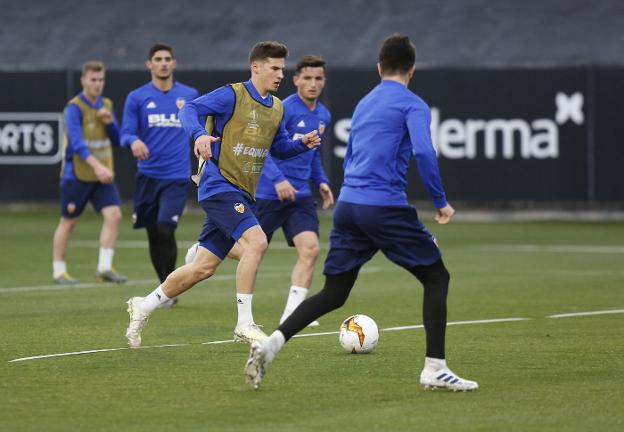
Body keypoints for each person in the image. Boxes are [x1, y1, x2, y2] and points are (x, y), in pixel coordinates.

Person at [244, 34, 479, 392]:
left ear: (379, 68)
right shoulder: (412, 104)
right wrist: (440, 201)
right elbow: (425, 153)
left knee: (334, 292)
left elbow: (351, 152)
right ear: (412, 70)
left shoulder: (366, 102)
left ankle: (271, 343)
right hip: (383, 206)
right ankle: (435, 369)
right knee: (436, 278)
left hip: (349, 207)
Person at [124, 41, 321, 348]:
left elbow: (279, 148)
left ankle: (144, 304)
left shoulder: (278, 107)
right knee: (257, 241)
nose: (281, 73)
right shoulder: (232, 94)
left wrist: (301, 145)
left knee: (202, 268)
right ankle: (244, 324)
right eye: (275, 67)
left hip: (243, 191)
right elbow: (190, 109)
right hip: (219, 185)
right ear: (256, 67)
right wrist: (200, 133)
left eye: (283, 68)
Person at [202, 55, 334, 327]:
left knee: (310, 250)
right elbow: (265, 149)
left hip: (300, 197)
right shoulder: (283, 108)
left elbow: (314, 154)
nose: (313, 83)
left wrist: (321, 181)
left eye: (318, 78)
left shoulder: (324, 114)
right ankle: (206, 249)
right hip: (269, 195)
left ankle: (293, 314)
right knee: (251, 248)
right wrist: (277, 180)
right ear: (296, 80)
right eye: (307, 77)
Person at [121, 43, 200, 307]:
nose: (163, 63)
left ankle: (169, 289)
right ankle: (166, 289)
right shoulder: (137, 97)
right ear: (149, 64)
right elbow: (126, 132)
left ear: (174, 63)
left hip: (176, 176)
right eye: (158, 59)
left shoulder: (189, 95)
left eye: (168, 59)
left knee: (166, 228)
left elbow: (200, 126)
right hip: (148, 177)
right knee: (154, 234)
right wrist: (133, 141)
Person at [52, 61, 127, 285]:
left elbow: (118, 139)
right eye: (93, 80)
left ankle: (104, 268)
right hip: (77, 174)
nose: (97, 84)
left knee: (114, 215)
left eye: (101, 80)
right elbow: (77, 144)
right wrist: (98, 166)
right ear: (84, 80)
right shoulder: (74, 108)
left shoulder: (106, 104)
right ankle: (59, 270)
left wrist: (109, 122)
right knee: (69, 221)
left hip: (102, 175)